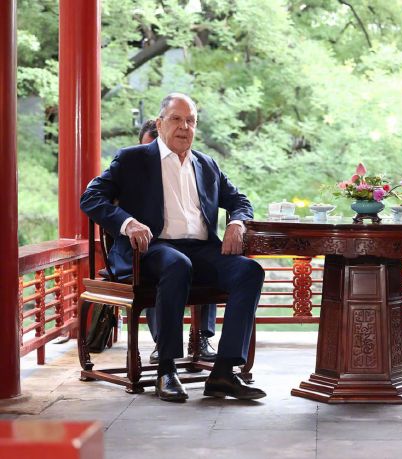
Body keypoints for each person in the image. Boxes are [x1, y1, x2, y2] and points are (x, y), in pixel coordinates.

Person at [81, 93, 266, 402]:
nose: (184, 127)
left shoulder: (206, 164)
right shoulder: (133, 159)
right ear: (159, 123)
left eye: (191, 121)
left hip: (200, 249)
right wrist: (128, 223)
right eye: (176, 119)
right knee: (177, 263)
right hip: (150, 249)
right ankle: (166, 370)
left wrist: (237, 222)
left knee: (250, 271)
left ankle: (223, 372)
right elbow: (91, 198)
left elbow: (239, 200)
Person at [138, 119, 218, 365]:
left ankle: (203, 336)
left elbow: (235, 197)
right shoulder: (135, 166)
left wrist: (237, 222)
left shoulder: (200, 164)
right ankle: (162, 344)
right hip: (152, 246)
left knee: (215, 260)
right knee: (169, 265)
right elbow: (99, 198)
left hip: (194, 243)